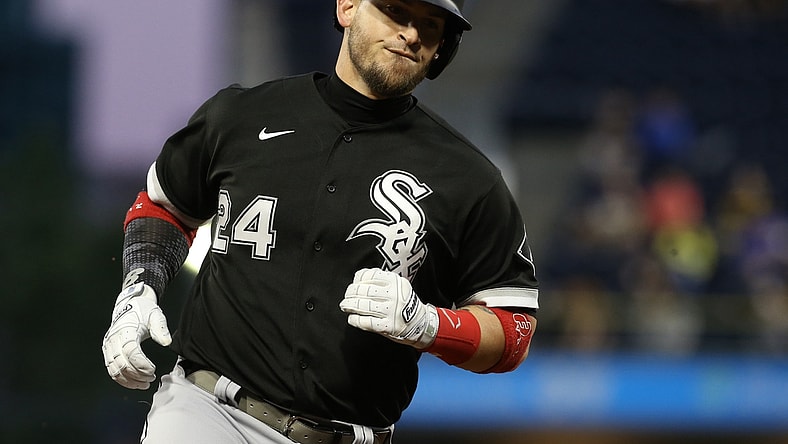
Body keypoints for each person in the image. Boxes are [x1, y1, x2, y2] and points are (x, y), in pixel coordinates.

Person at [101, 1, 539, 443]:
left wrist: (430, 325)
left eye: (430, 25)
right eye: (394, 11)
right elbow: (165, 205)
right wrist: (140, 286)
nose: (411, 34)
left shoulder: (469, 178)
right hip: (207, 413)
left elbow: (512, 330)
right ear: (347, 6)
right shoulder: (241, 116)